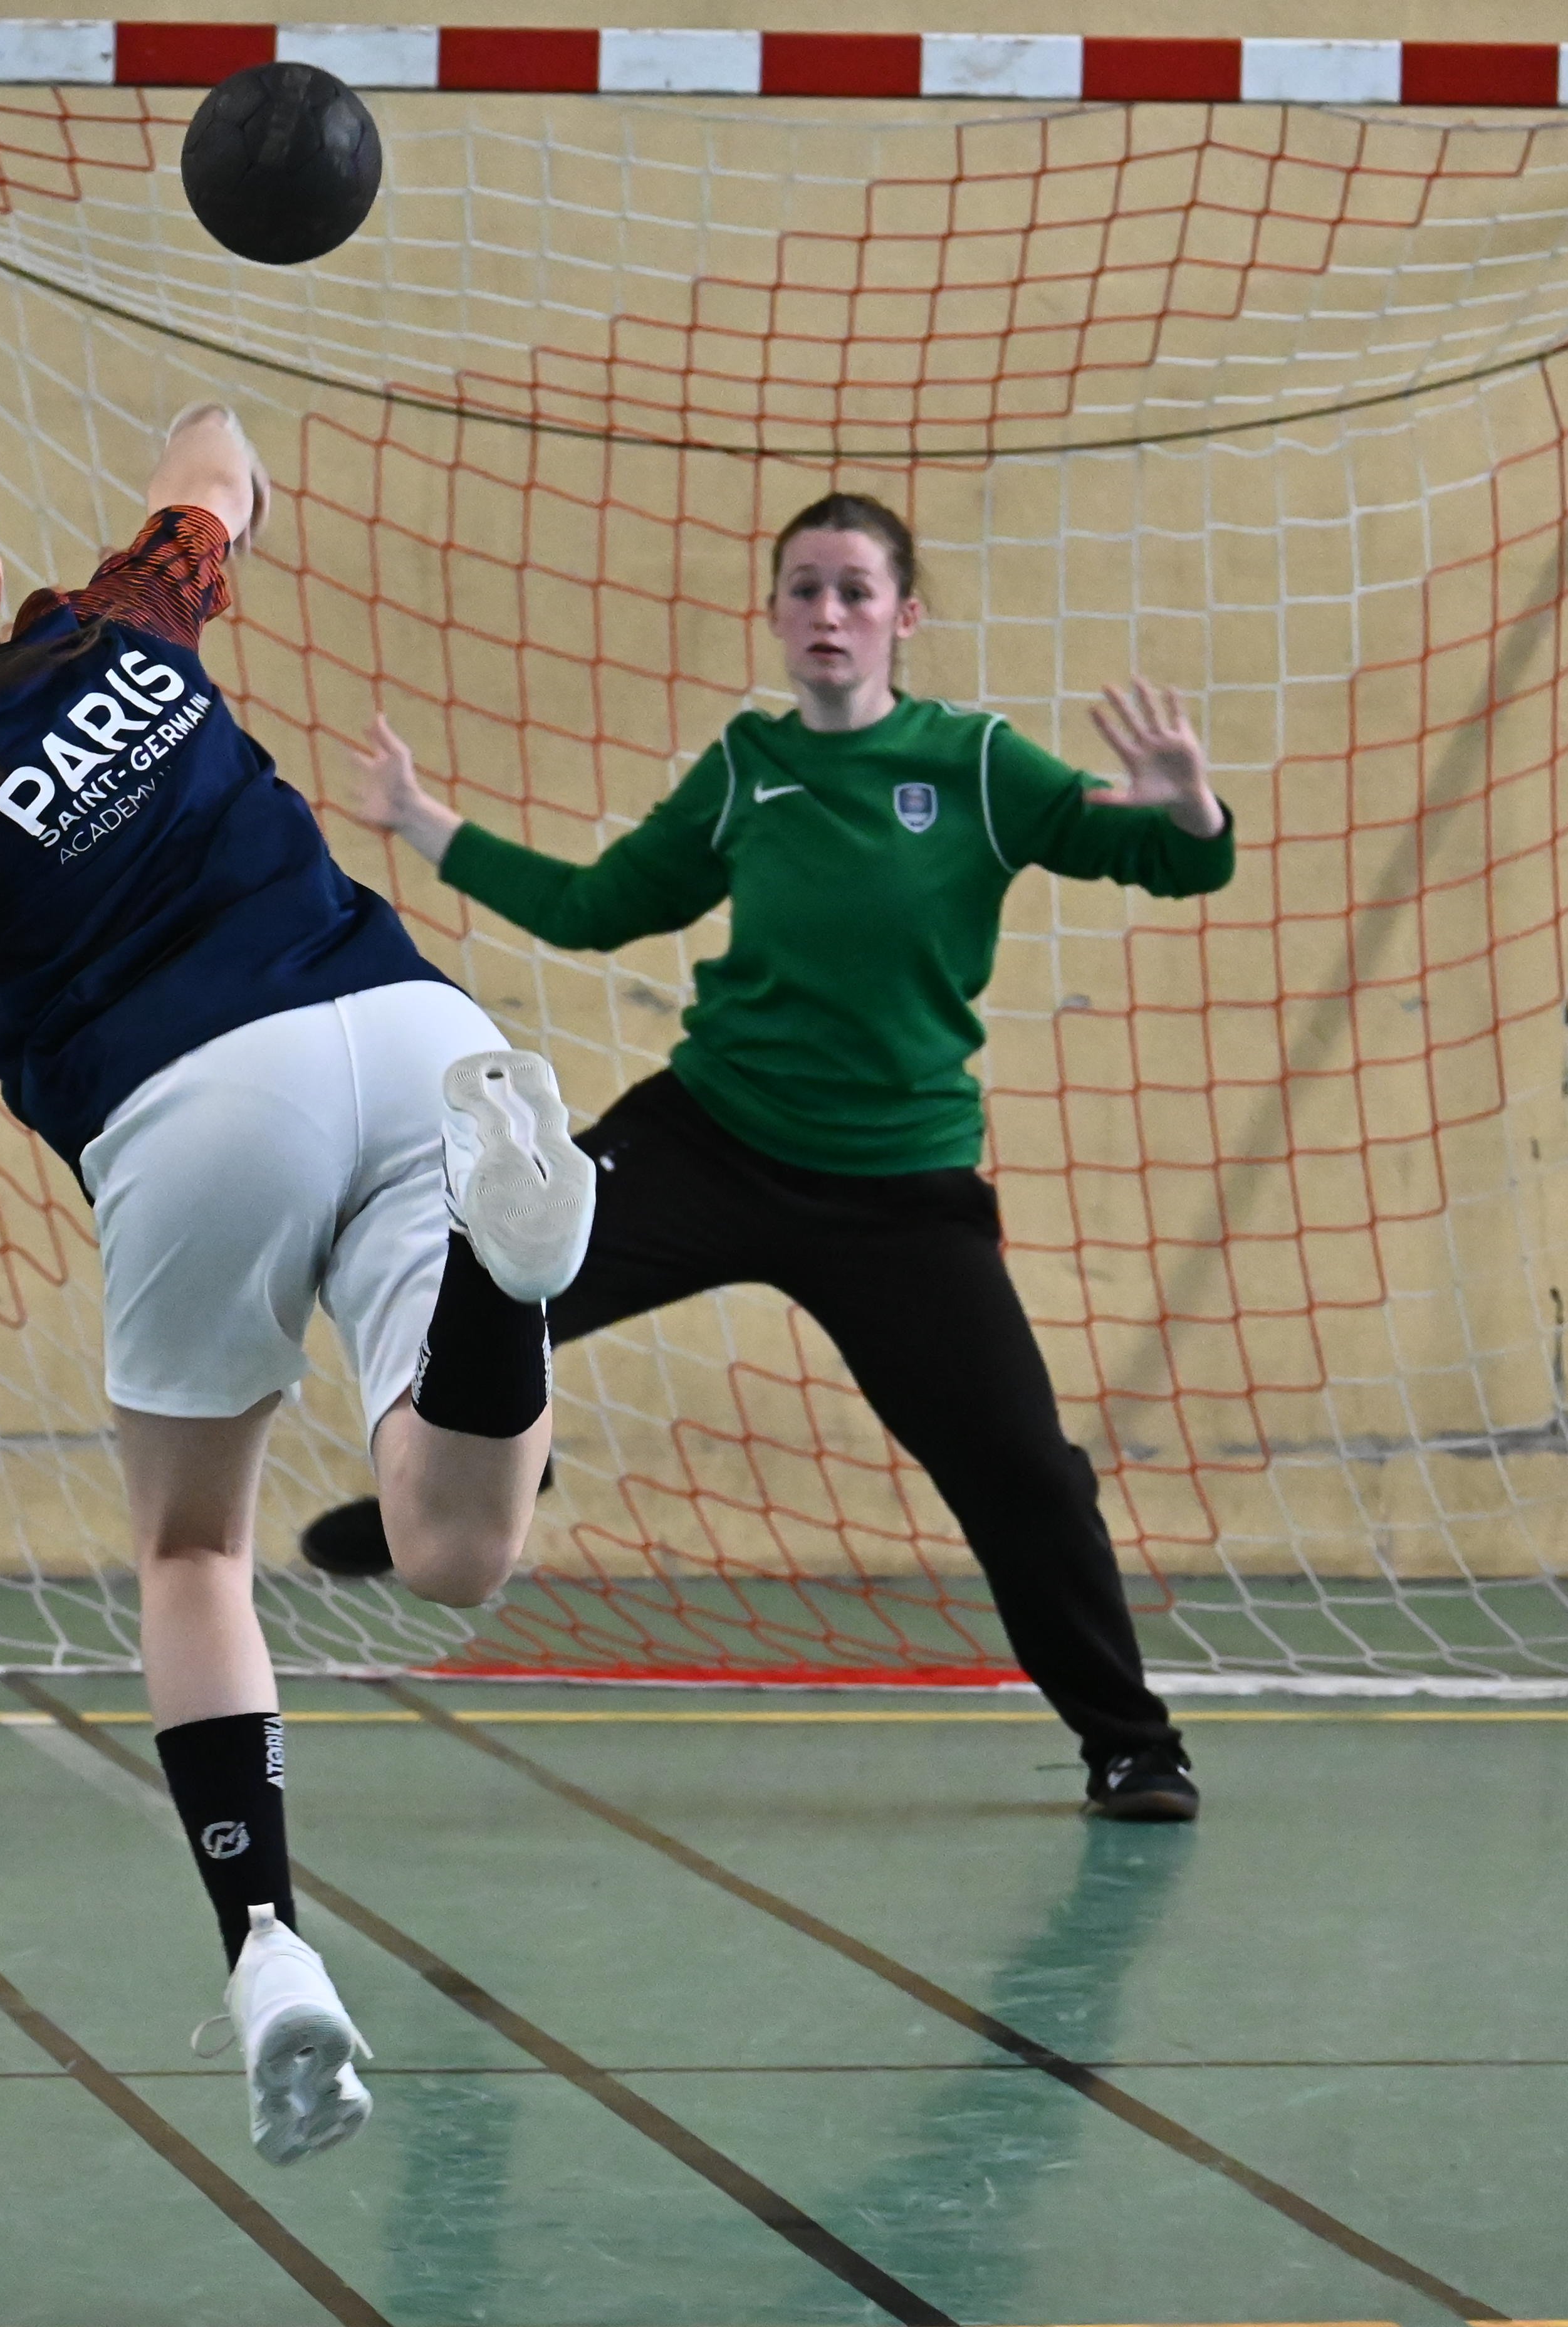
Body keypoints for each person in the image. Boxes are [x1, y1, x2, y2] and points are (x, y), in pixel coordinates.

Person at [0, 412, 593, 2163]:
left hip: (196, 1111)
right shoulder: (120, 621)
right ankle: (504, 1264)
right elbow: (216, 453)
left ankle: (268, 1951)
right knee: (461, 1546)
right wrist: (221, 474)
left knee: (196, 1552)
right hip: (412, 1036)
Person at [315, 490, 1235, 1823]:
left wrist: (1189, 810)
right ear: (776, 615)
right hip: (715, 1135)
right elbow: (596, 904)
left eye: (856, 590)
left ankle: (1133, 1743)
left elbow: (1157, 861)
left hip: (898, 1192)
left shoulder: (977, 764)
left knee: (1027, 1473)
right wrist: (422, 821)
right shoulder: (748, 766)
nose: (828, 613)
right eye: (804, 588)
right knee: (485, 1275)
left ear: (904, 618)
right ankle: (496, 1458)